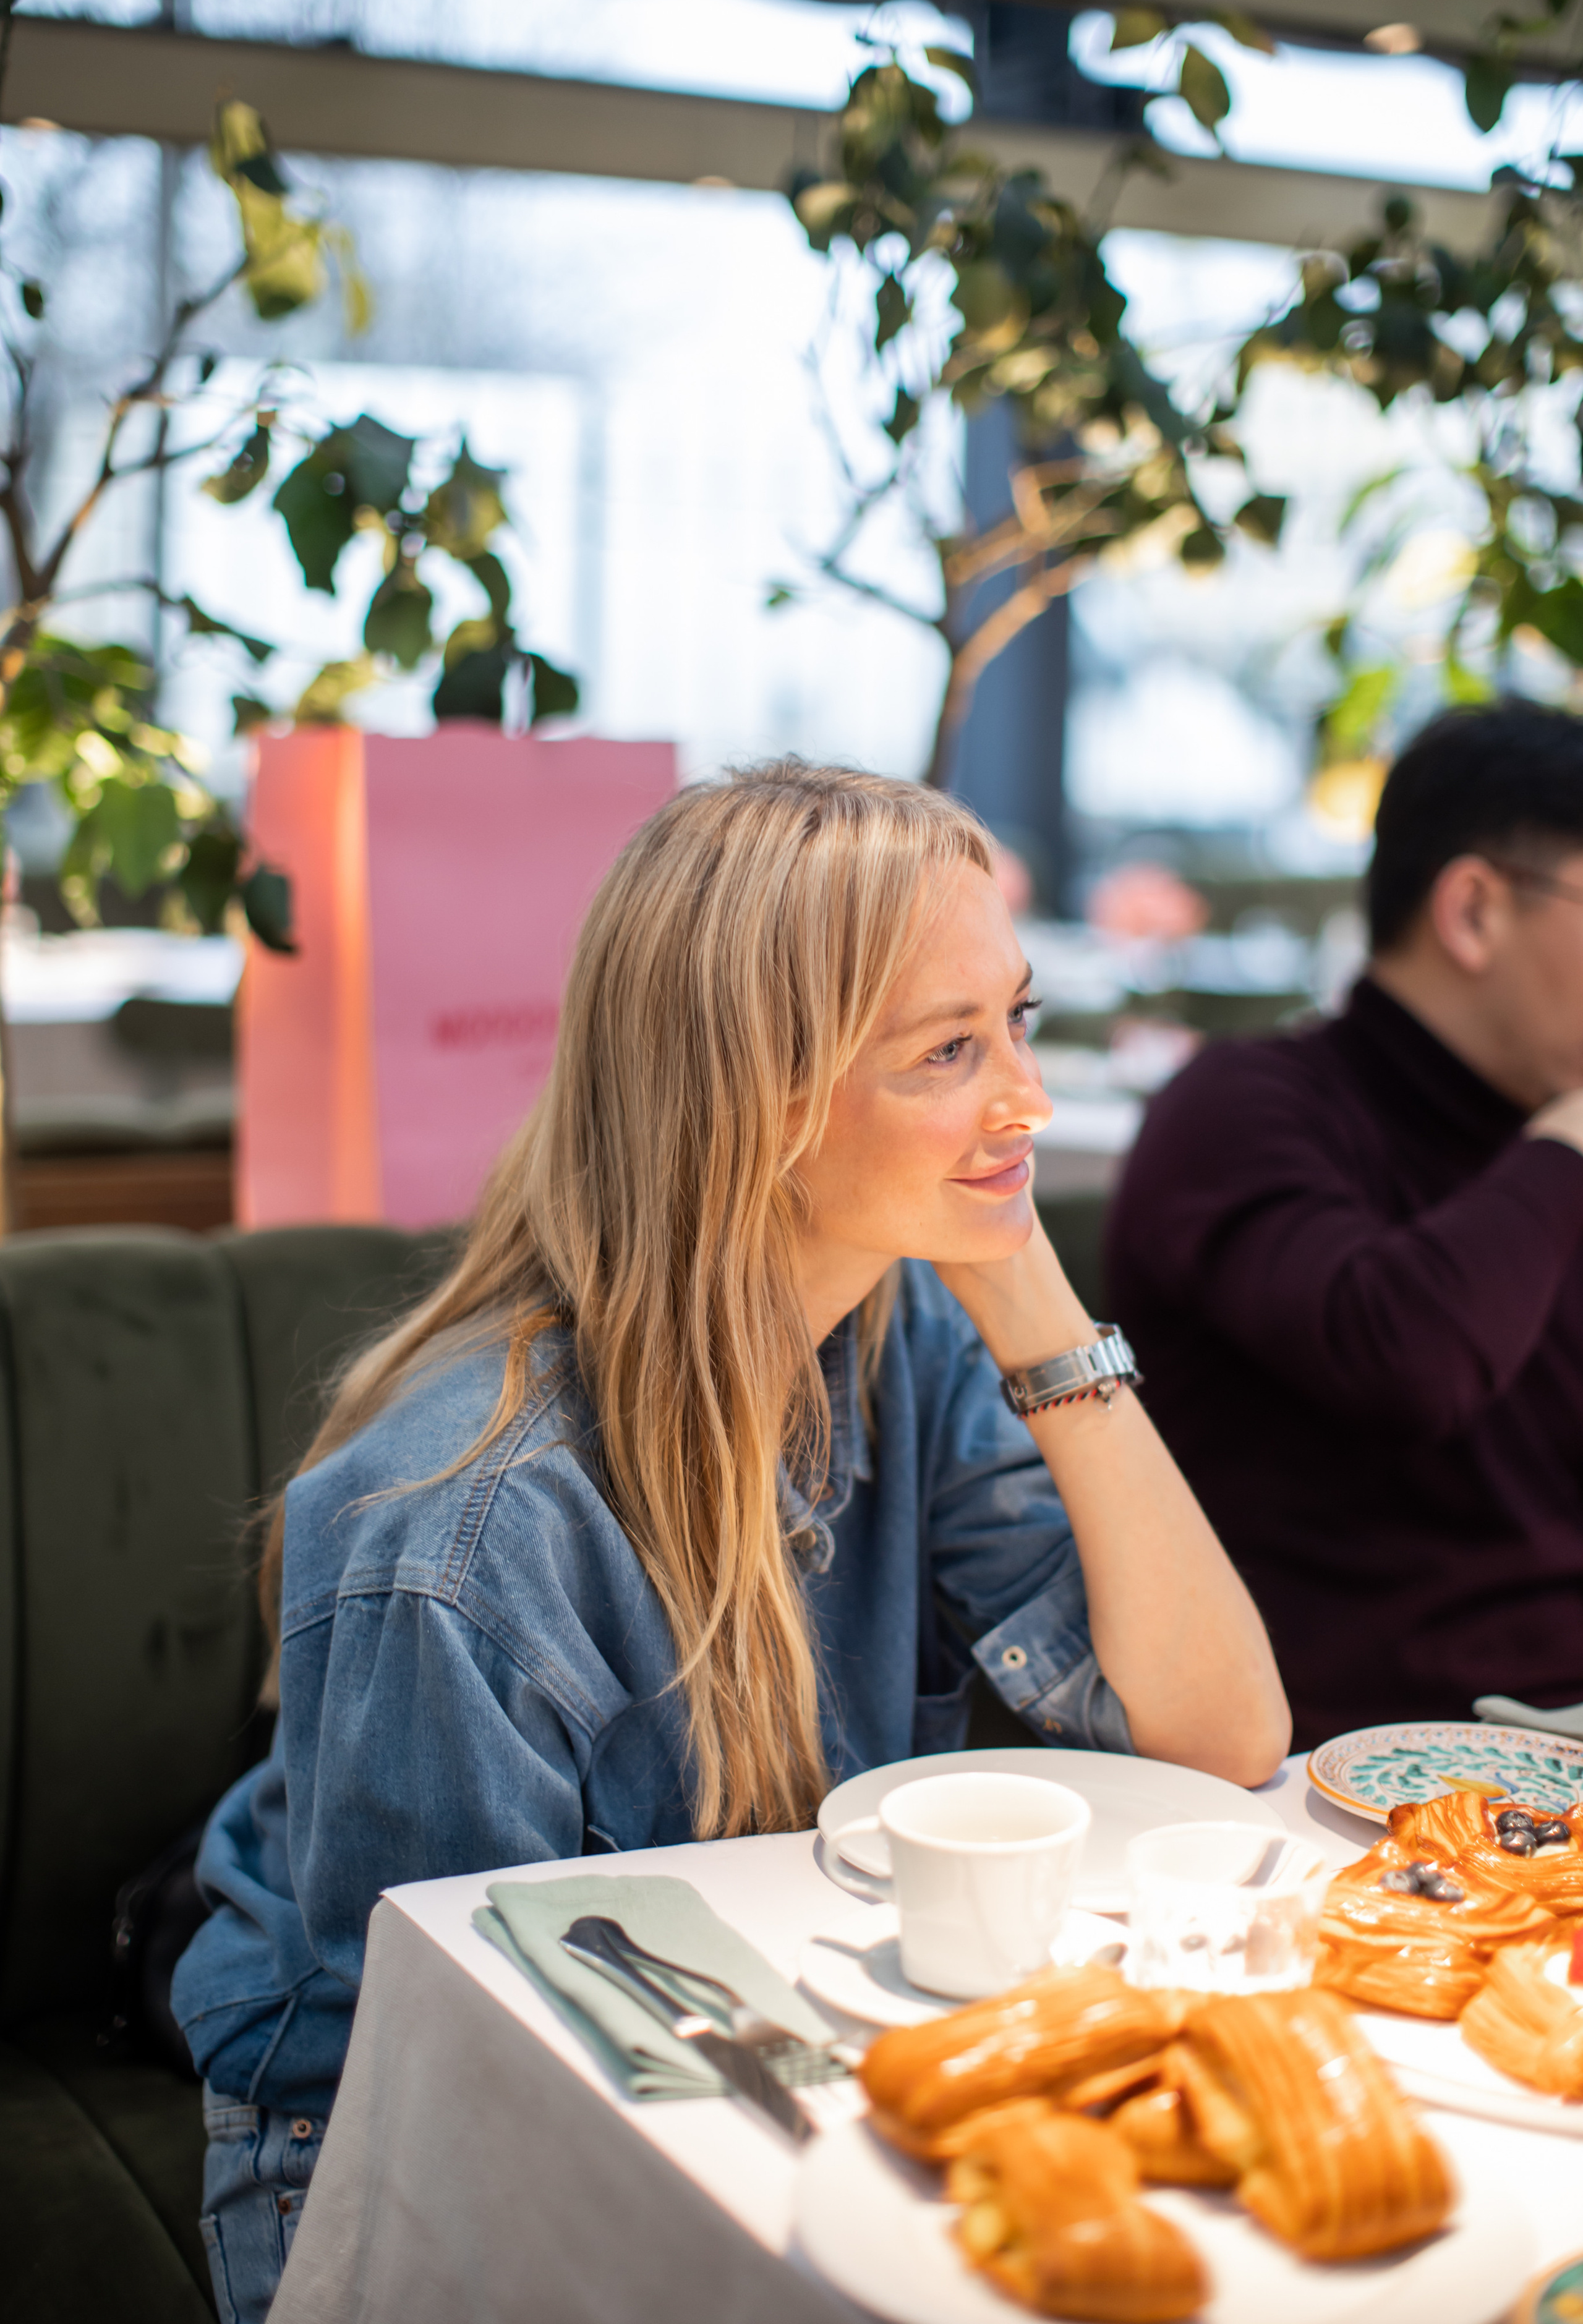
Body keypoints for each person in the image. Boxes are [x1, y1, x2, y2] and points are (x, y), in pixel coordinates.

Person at [174, 761, 1287, 2322]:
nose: (1024, 1098)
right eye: (948, 1052)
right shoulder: (465, 1535)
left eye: (1016, 1021)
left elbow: (1223, 1733)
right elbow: (461, 2093)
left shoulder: (903, 1333)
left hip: (722, 2021)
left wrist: (1027, 1290)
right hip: (394, 2121)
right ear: (756, 1101)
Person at [1107, 700, 1583, 1754]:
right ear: (1474, 912)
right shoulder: (1242, 1110)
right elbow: (1411, 1359)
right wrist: (1567, 1143)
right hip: (1332, 1774)